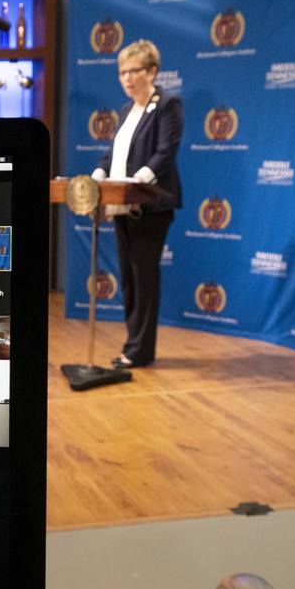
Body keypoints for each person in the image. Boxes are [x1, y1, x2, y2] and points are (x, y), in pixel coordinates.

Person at [92, 39, 183, 369]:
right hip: (121, 206)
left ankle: (140, 350)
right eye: (122, 72)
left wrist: (137, 181)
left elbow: (165, 151)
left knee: (144, 277)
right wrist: (98, 175)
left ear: (152, 71)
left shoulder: (168, 104)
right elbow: (113, 154)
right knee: (129, 279)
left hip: (149, 207)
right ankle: (132, 344)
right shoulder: (126, 110)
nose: (127, 78)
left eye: (133, 71)